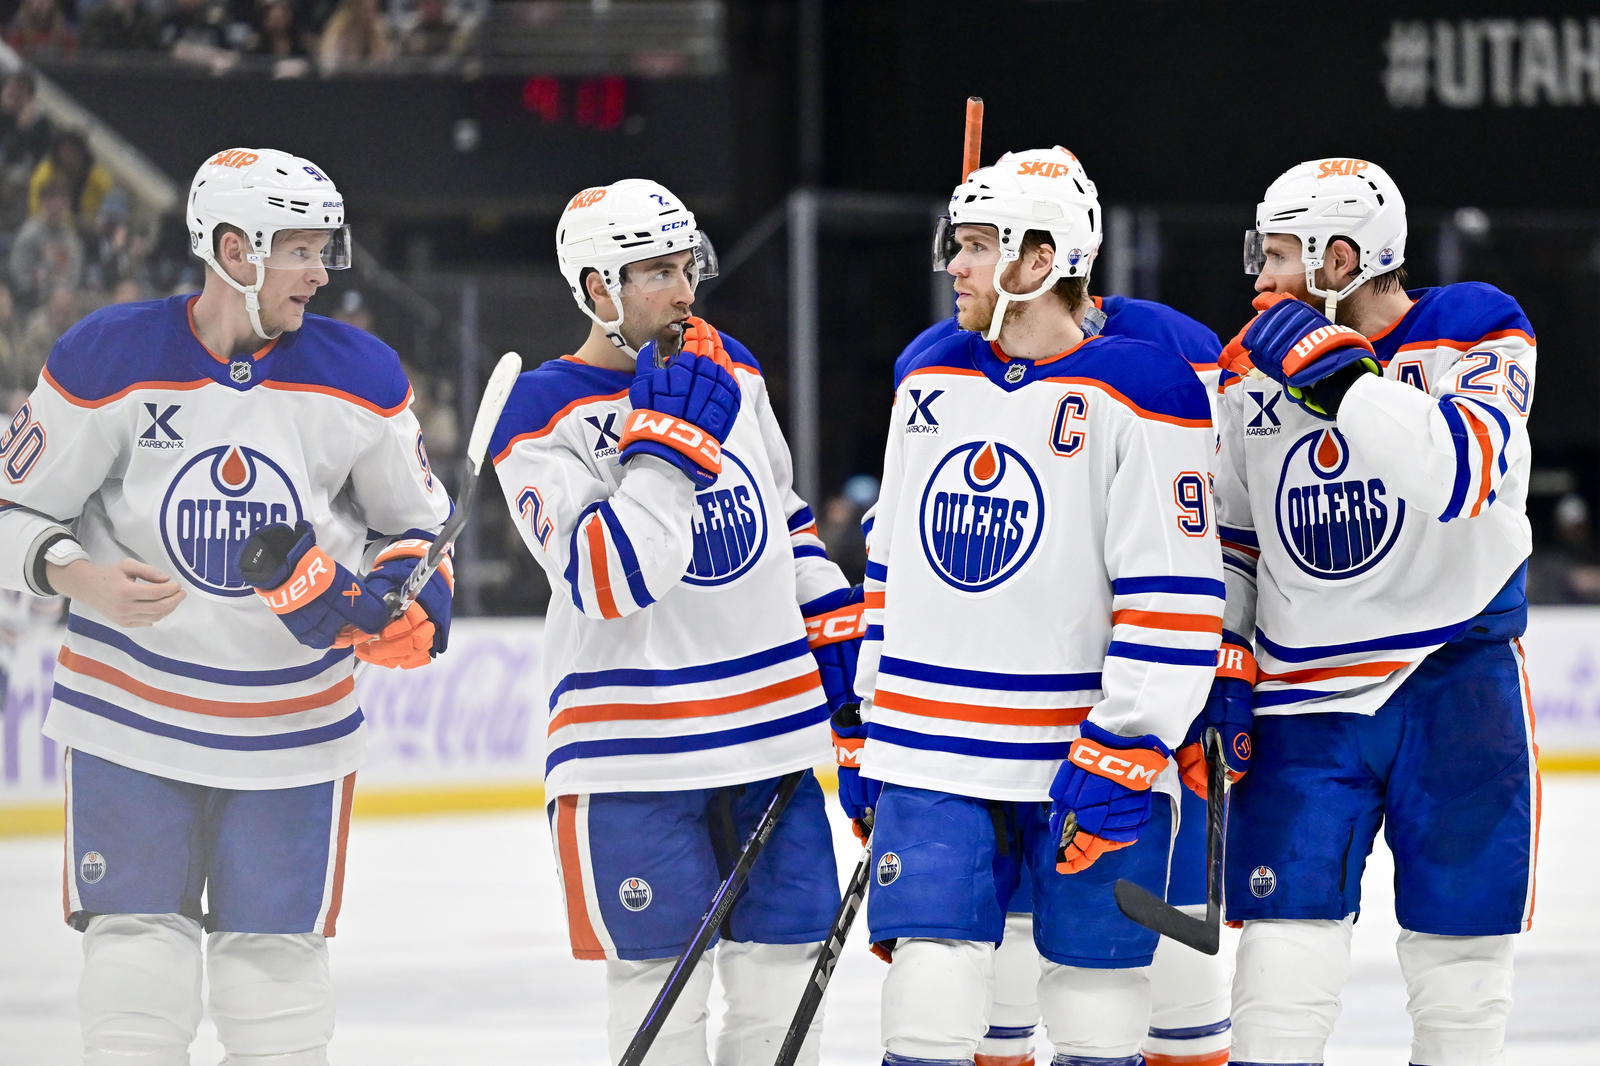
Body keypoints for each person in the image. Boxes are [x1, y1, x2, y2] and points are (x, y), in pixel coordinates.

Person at [0, 146, 455, 1064]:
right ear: (235, 249)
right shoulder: (108, 355)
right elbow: (15, 508)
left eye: (325, 248)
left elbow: (421, 535)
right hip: (129, 712)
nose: (321, 271)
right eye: (300, 248)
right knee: (136, 975)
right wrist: (74, 575)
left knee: (274, 986)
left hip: (296, 726)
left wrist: (408, 607)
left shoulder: (363, 373)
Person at [841, 146, 1222, 1066]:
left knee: (1096, 994)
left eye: (976, 245)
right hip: (932, 742)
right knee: (928, 989)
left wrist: (1133, 739)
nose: (954, 265)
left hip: (1077, 749)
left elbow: (1175, 594)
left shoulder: (1145, 389)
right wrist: (869, 715)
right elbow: (889, 564)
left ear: (1040, 260)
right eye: (957, 243)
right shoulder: (927, 374)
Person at [489, 178, 855, 1065]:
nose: (684, 290)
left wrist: (841, 641)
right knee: (664, 1000)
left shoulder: (735, 367)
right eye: (656, 270)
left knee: (780, 998)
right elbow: (608, 579)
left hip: (768, 739)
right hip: (631, 751)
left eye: (687, 264)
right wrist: (666, 452)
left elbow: (786, 522)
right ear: (596, 287)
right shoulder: (537, 414)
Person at [1215, 157, 1538, 1066]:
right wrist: (1224, 658)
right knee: (1281, 952)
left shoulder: (1472, 326)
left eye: (1278, 254)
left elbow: (1469, 470)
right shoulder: (1248, 368)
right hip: (1303, 695)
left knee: (1462, 956)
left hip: (1455, 678)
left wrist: (1345, 387)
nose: (1259, 277)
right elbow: (1235, 537)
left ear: (1341, 256)